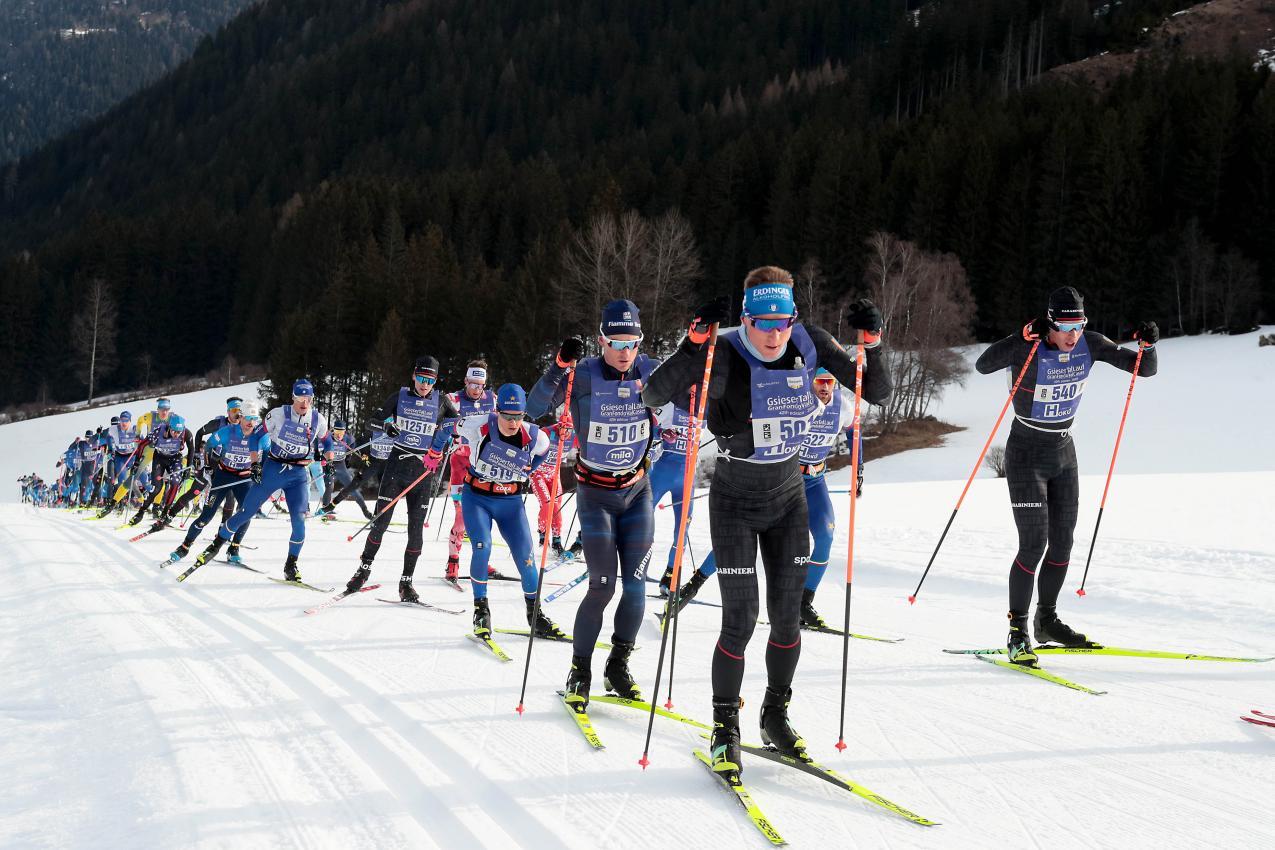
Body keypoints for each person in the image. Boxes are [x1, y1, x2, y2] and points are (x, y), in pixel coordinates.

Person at [642, 267, 890, 777]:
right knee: (741, 618)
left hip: (789, 497)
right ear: (746, 319)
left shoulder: (810, 342)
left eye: (782, 322)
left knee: (787, 617)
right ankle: (724, 729)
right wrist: (692, 344)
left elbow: (879, 390)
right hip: (734, 498)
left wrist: (874, 342)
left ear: (793, 317)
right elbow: (653, 394)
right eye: (763, 323)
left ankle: (774, 715)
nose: (774, 335)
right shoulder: (724, 351)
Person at [974, 286, 1158, 665]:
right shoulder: (1030, 346)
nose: (1073, 335)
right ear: (1050, 323)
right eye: (1065, 326)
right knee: (1033, 543)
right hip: (1025, 453)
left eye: (1079, 325)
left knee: (1062, 543)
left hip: (1063, 453)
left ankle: (1047, 621)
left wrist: (1149, 345)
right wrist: (1020, 336)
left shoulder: (1090, 344)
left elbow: (1144, 368)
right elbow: (983, 364)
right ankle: (1017, 632)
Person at [528, 298, 674, 710]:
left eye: (632, 343)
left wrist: (700, 341)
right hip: (595, 494)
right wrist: (558, 366)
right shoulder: (584, 374)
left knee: (636, 586)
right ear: (601, 340)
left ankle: (618, 665)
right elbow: (534, 407)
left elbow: (694, 382)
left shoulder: (650, 369)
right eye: (616, 343)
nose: (625, 352)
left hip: (637, 491)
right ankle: (580, 670)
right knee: (602, 585)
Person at [191, 379, 333, 580]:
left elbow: (327, 441)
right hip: (273, 469)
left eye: (308, 399)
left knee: (299, 521)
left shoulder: (318, 419)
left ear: (312, 399)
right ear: (293, 397)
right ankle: (216, 544)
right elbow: (256, 437)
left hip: (298, 475)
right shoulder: (277, 414)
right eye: (300, 398)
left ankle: (291, 565)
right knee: (247, 511)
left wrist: (330, 462)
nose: (304, 403)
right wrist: (256, 463)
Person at [343, 356, 460, 601]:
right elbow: (372, 420)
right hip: (396, 467)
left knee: (415, 532)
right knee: (381, 523)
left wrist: (449, 435)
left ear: (435, 380)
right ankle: (363, 570)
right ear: (414, 376)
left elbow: (458, 424)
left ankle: (406, 583)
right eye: (421, 378)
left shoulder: (442, 401)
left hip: (423, 473)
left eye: (430, 380)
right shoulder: (400, 396)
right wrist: (386, 426)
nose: (424, 384)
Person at [457, 383, 566, 639]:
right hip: (477, 499)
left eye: (518, 417)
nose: (513, 422)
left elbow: (545, 448)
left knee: (526, 558)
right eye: (507, 416)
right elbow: (445, 429)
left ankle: (535, 614)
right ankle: (481, 610)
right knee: (482, 546)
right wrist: (434, 451)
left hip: (510, 502)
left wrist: (530, 468)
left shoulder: (534, 435)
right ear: (497, 411)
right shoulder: (478, 424)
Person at [166, 403, 267, 564]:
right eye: (248, 418)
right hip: (224, 475)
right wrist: (207, 466)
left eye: (254, 419)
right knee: (206, 516)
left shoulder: (261, 436)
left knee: (246, 513)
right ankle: (184, 547)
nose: (251, 423)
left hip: (244, 479)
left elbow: (268, 453)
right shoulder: (227, 432)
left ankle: (234, 548)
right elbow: (209, 447)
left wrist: (261, 469)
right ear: (241, 417)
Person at [442, 360, 498, 581]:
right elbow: (439, 425)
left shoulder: (492, 399)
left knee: (484, 516)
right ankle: (453, 562)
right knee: (461, 516)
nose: (476, 390)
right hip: (459, 465)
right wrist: (448, 435)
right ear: (465, 381)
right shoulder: (453, 400)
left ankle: (481, 561)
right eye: (472, 384)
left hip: (483, 466)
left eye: (480, 385)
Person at [529, 411, 580, 558]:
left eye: (568, 429)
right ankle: (543, 538)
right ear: (558, 425)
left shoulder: (574, 437)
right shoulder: (547, 432)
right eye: (562, 428)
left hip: (554, 475)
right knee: (547, 504)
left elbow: (586, 449)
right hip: (539, 474)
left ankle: (557, 541)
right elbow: (530, 443)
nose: (565, 432)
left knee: (556, 508)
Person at [127, 415, 193, 526]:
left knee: (175, 482)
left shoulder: (186, 433)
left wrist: (189, 467)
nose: (176, 434)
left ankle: (165, 513)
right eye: (174, 431)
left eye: (179, 432)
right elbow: (142, 444)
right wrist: (137, 462)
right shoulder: (158, 431)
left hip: (175, 458)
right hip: (160, 458)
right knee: (156, 488)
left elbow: (192, 449)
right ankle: (141, 512)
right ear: (169, 427)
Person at [317, 419, 371, 518]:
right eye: (337, 432)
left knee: (353, 487)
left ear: (344, 431)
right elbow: (319, 448)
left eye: (341, 432)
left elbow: (356, 449)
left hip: (341, 466)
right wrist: (321, 457)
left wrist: (363, 457)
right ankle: (325, 510)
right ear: (333, 430)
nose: (338, 435)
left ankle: (366, 511)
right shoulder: (327, 437)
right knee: (329, 486)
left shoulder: (348, 439)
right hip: (329, 464)